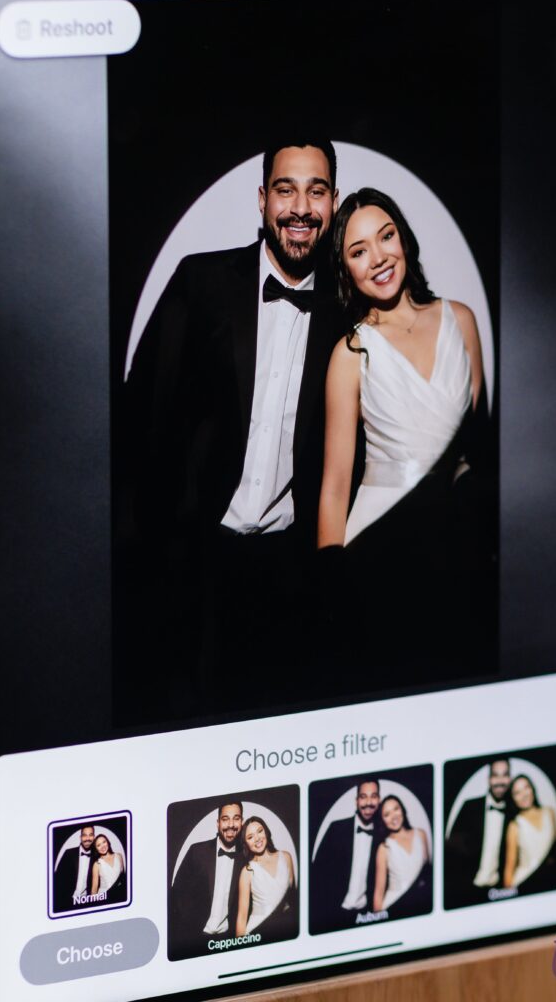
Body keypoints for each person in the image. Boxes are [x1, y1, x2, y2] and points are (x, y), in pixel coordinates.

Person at [118, 133, 343, 721]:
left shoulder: (348, 311)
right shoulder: (201, 282)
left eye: (315, 191)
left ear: (333, 202)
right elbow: (144, 416)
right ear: (262, 199)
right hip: (195, 565)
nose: (300, 207)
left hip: (291, 576)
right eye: (285, 190)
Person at [317, 187, 486, 677]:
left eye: (385, 236)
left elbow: (476, 449)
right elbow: (333, 485)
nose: (378, 257)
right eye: (358, 250)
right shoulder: (350, 353)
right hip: (379, 553)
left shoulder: (461, 320)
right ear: (346, 269)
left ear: (403, 239)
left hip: (456, 546)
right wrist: (333, 587)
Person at [168, 801, 244, 960]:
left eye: (236, 818)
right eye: (225, 819)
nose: (231, 824)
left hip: (227, 941)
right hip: (194, 938)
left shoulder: (246, 859)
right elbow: (176, 893)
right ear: (218, 823)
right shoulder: (197, 851)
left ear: (241, 822)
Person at [309, 779, 381, 933]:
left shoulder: (383, 835)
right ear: (356, 801)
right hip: (333, 914)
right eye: (363, 796)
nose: (368, 802)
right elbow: (316, 874)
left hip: (367, 916)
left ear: (379, 800)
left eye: (373, 796)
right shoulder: (336, 828)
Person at [444, 758, 511, 909]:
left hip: (500, 893)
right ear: (489, 779)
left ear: (510, 778)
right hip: (467, 890)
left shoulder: (514, 811)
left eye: (504, 775)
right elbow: (452, 847)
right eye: (495, 775)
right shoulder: (469, 806)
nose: (500, 780)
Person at [235, 816, 296, 940]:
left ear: (266, 831)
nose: (257, 838)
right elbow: (242, 917)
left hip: (286, 928)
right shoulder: (247, 871)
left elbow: (293, 900)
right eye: (250, 837)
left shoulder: (286, 857)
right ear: (246, 843)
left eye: (260, 831)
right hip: (259, 932)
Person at [373, 795, 431, 917]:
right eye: (387, 814)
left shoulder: (421, 834)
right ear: (382, 820)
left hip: (421, 904)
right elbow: (378, 894)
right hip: (395, 906)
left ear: (402, 810)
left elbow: (428, 875)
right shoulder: (384, 847)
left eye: (396, 809)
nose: (394, 816)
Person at [503, 775, 556, 892]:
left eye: (526, 787)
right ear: (513, 799)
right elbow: (509, 870)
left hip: (549, 881)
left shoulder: (550, 812)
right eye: (517, 793)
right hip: (525, 883)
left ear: (532, 789)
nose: (524, 795)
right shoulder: (515, 826)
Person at [54, 824, 96, 911]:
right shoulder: (68, 853)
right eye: (84, 835)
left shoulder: (96, 857)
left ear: (94, 837)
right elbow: (58, 878)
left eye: (90, 835)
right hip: (66, 901)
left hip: (86, 903)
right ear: (80, 837)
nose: (87, 838)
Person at [90, 833, 126, 902]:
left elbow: (122, 880)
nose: (102, 846)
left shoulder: (119, 856)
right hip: (104, 899)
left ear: (108, 842)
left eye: (104, 842)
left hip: (119, 897)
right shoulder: (97, 864)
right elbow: (94, 890)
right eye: (98, 845)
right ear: (96, 849)